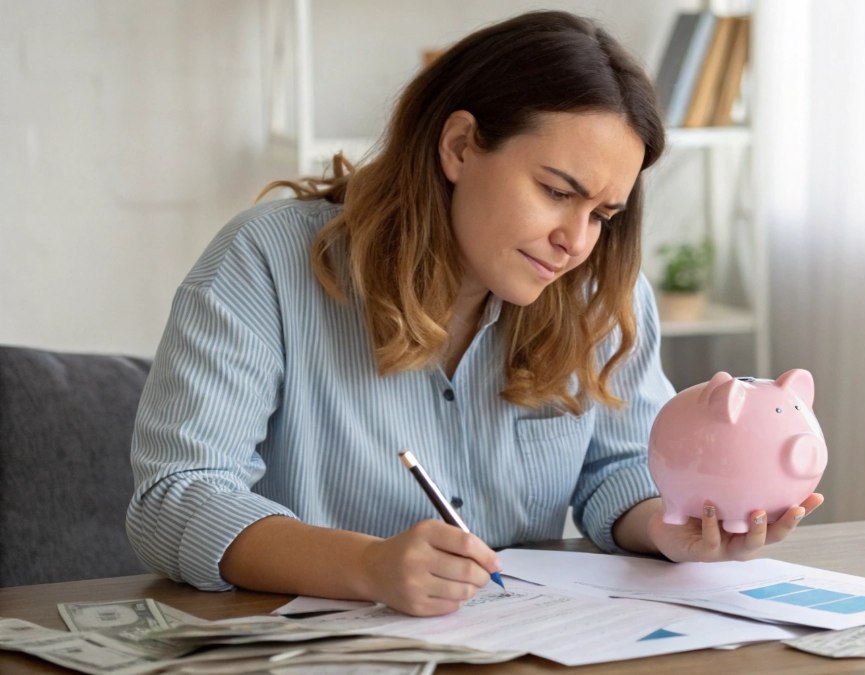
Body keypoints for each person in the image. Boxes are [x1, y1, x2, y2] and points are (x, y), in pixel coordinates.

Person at [127, 10, 824, 618]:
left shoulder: (599, 292)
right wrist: (367, 566)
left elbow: (620, 471)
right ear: (460, 145)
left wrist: (673, 528)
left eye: (602, 215)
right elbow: (176, 498)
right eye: (556, 191)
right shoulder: (263, 263)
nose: (576, 241)